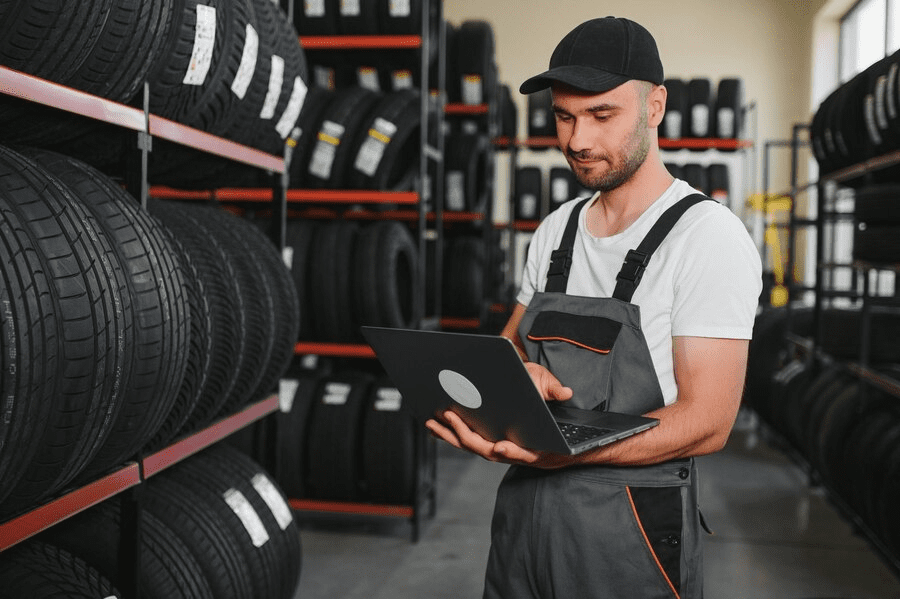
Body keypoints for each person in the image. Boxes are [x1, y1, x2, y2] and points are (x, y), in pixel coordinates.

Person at [425, 15, 762, 599]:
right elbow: (507, 352)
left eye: (602, 115)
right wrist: (512, 382)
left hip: (628, 535)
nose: (577, 140)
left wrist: (567, 451)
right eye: (563, 116)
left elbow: (708, 419)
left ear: (654, 106)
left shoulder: (707, 237)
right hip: (524, 520)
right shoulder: (557, 229)